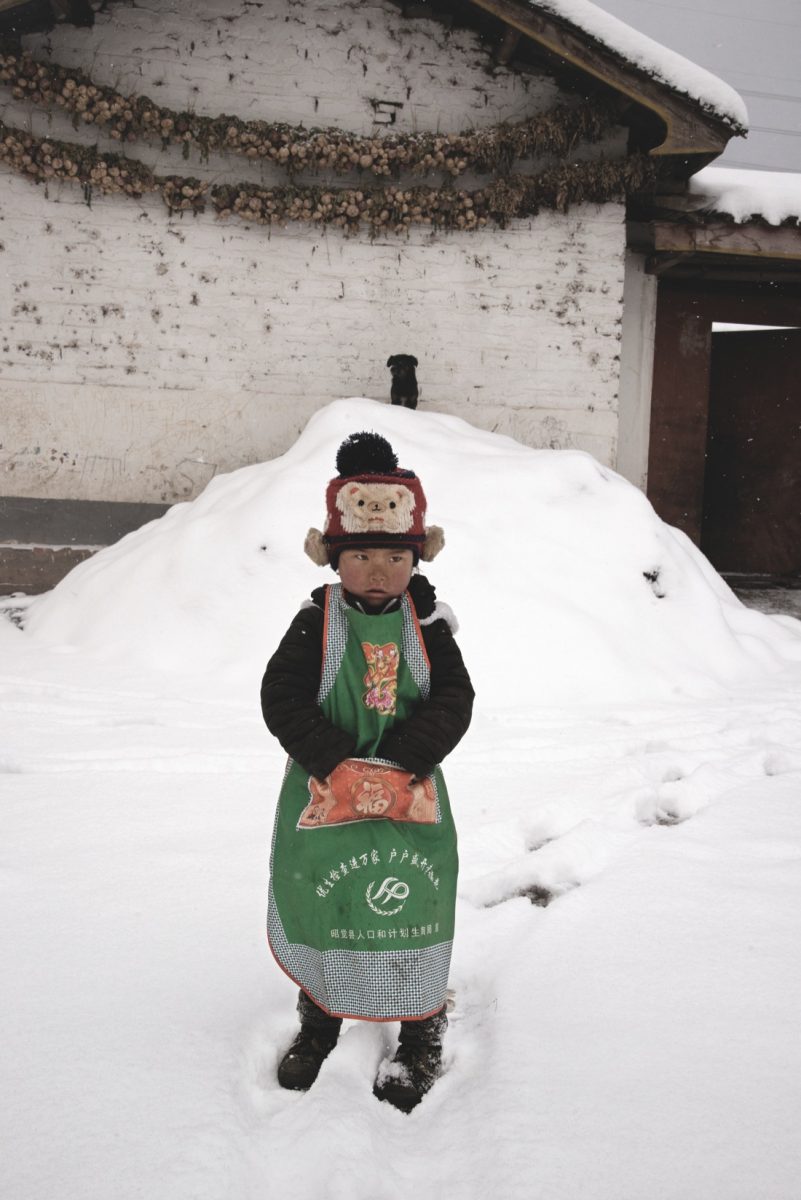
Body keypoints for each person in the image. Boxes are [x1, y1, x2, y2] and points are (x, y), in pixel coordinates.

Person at [260, 430, 474, 1112]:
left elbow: (453, 700)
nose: (377, 569)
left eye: (392, 556)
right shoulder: (312, 622)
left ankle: (418, 1031)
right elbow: (282, 698)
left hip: (409, 793)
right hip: (325, 794)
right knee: (327, 900)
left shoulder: (430, 625)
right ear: (333, 559)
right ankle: (320, 1022)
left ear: (414, 559)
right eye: (360, 556)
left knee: (412, 904)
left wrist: (406, 760)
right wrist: (332, 760)